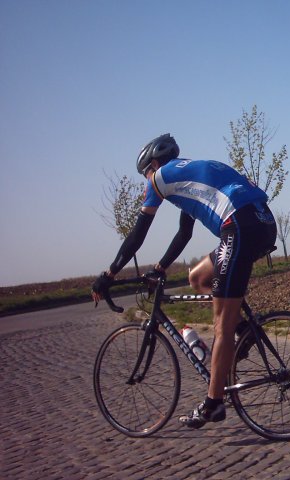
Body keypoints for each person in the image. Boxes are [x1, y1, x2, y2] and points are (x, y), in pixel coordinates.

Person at [91, 133, 277, 428]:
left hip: (239, 225)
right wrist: (161, 267)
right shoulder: (188, 176)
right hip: (261, 222)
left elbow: (138, 234)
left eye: (145, 174)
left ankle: (214, 404)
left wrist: (109, 274)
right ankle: (245, 331)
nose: (146, 181)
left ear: (152, 165)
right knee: (199, 277)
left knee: (221, 327)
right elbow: (184, 234)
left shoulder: (159, 179)